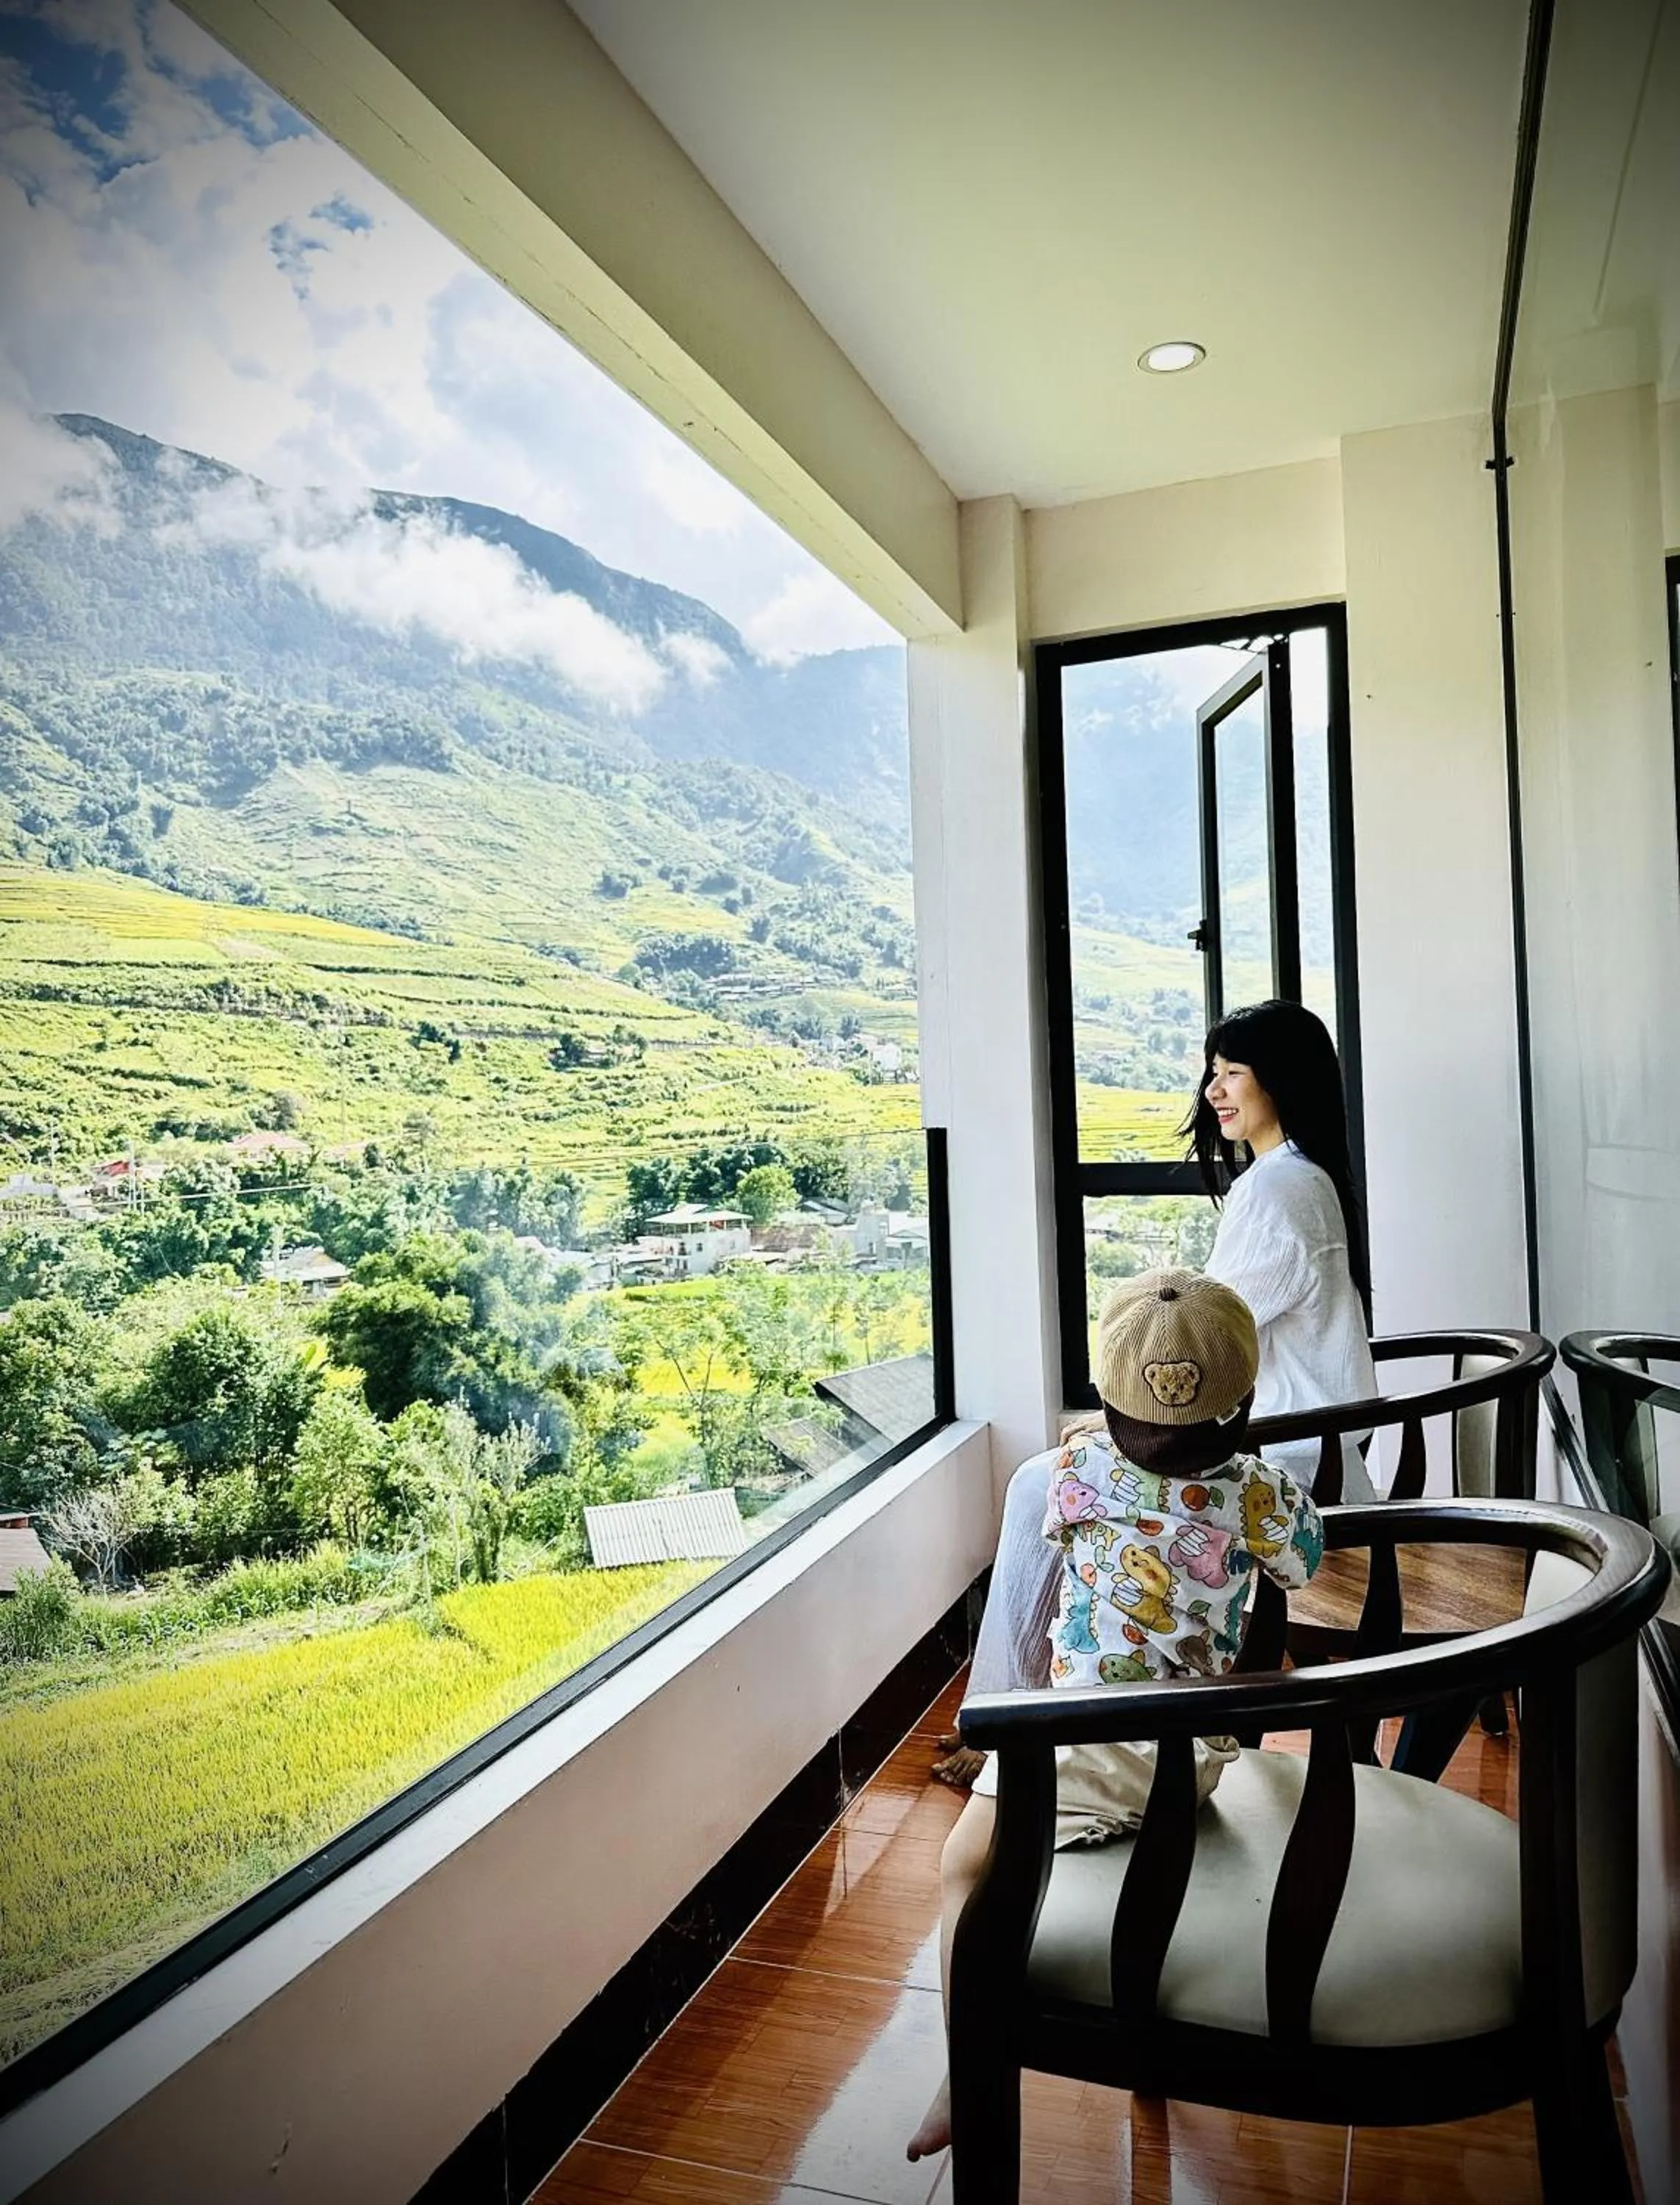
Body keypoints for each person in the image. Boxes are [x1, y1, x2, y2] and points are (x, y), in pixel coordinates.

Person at [906, 1268, 1324, 2164]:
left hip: (1093, 1744)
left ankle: (965, 2065)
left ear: (1105, 1393)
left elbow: (1052, 1551)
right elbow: (1304, 1568)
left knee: (960, 1868)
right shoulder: (1263, 1493)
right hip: (1196, 1751)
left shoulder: (1070, 1473)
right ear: (1246, 1398)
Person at [934, 997, 1373, 1779]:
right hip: (1301, 1440)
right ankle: (1028, 1713)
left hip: (1286, 1457)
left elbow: (1204, 1346)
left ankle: (1003, 1721)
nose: (1215, 1089)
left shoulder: (1277, 1191)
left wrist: (1112, 1432)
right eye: (1212, 1072)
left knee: (1043, 1486)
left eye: (1234, 1071)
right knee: (1061, 1475)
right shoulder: (1298, 1178)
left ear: (1284, 1080)